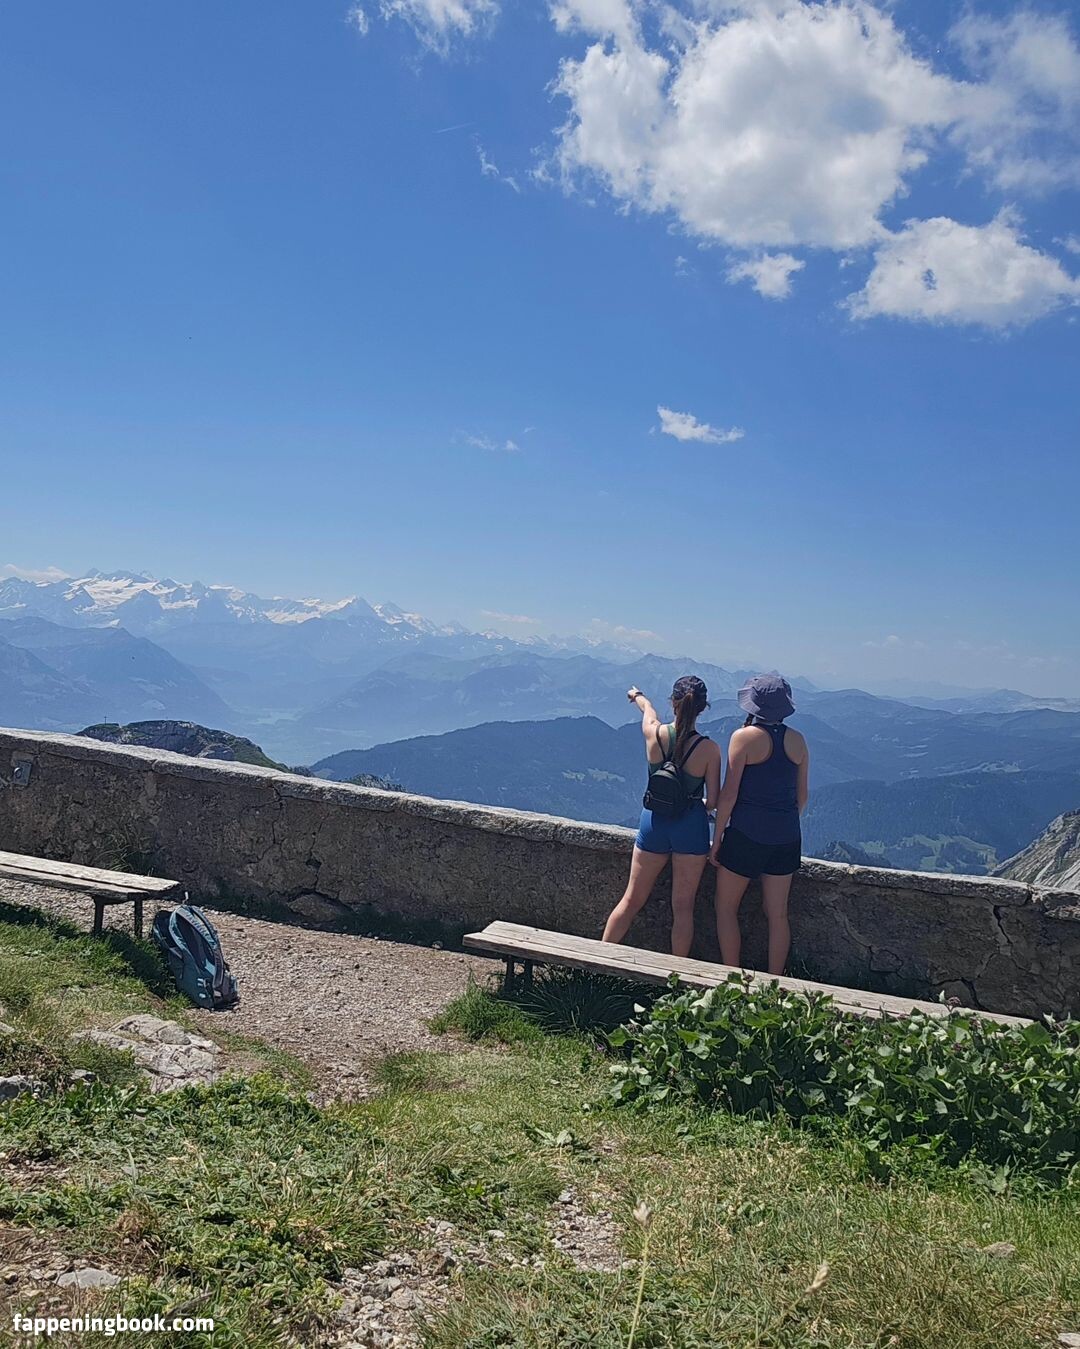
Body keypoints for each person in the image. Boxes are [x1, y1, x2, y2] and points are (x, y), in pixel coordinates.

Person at [602, 676, 722, 957]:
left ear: (673, 702)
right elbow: (714, 801)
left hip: (654, 821)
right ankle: (675, 976)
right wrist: (697, 804)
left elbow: (648, 711)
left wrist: (638, 696)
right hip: (690, 826)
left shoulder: (653, 733)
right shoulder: (709, 749)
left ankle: (596, 961)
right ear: (703, 708)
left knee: (631, 899)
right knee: (683, 908)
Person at [708, 673, 809, 975]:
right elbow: (802, 797)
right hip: (787, 838)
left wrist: (717, 840)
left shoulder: (743, 738)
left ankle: (733, 979)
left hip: (746, 835)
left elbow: (728, 795)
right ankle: (776, 983)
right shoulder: (798, 741)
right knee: (778, 915)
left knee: (726, 908)